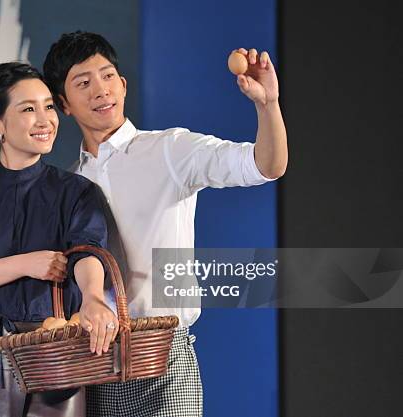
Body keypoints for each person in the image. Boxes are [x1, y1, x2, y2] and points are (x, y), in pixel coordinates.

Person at [43, 31, 288, 417]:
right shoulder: (69, 184)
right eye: (83, 83)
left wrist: (268, 105)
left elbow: (265, 165)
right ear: (63, 104)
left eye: (107, 77)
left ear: (123, 85)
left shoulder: (170, 149)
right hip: (99, 362)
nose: (100, 90)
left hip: (165, 358)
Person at [0, 62, 119, 417]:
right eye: (28, 109)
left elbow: (88, 252)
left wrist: (94, 297)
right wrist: (27, 263)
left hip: (58, 347)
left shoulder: (77, 191)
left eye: (49, 106)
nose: (45, 119)